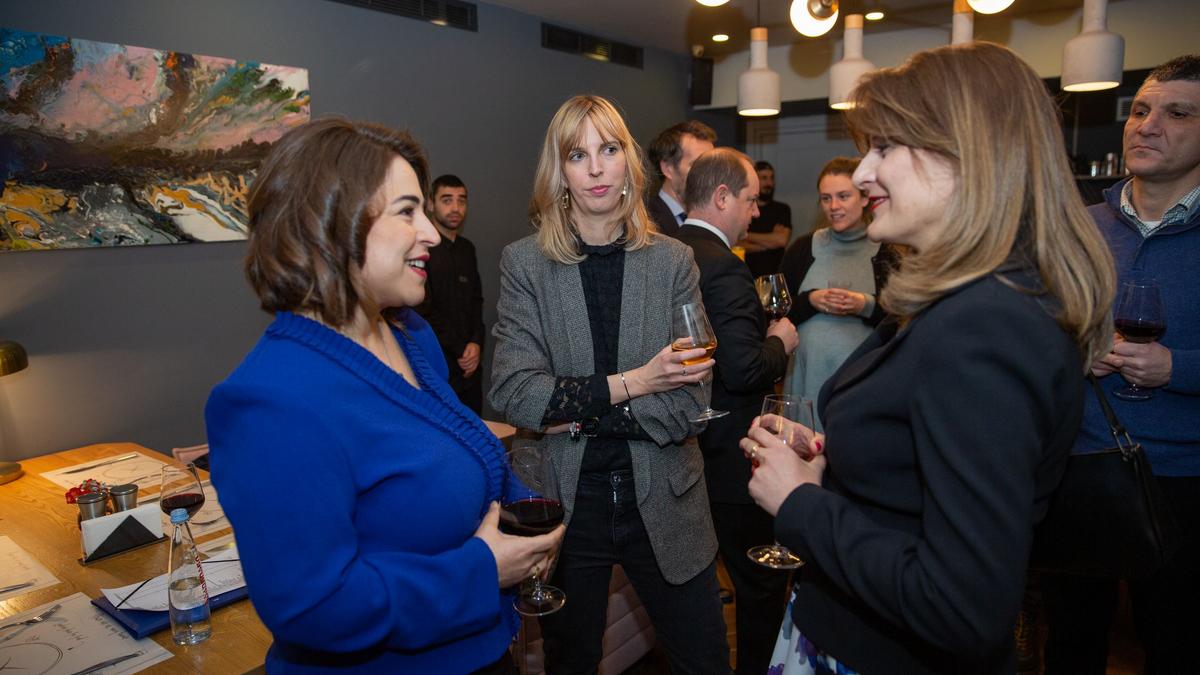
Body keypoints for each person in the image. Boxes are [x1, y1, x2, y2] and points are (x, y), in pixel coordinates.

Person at [738, 42, 1116, 674]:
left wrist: (801, 502)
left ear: (966, 156)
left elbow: (964, 606)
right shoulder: (964, 300)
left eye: (885, 147)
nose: (863, 175)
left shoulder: (986, 325)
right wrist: (836, 455)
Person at [204, 118, 563, 673]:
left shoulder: (410, 335)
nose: (431, 232)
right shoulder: (269, 400)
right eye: (407, 211)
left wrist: (527, 523)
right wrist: (482, 571)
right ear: (331, 224)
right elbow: (313, 608)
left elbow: (468, 450)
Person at [490, 95, 731, 674]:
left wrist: (574, 412)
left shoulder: (673, 262)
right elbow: (516, 393)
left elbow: (691, 404)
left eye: (609, 149)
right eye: (578, 155)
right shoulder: (525, 264)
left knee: (705, 661)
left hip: (668, 497)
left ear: (630, 162)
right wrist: (640, 381)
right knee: (570, 662)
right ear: (559, 171)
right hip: (568, 503)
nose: (596, 168)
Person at [1041, 54, 1200, 675]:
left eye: (1177, 113)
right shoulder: (1080, 229)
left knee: (1176, 644)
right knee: (1069, 643)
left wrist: (1177, 368)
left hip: (1184, 480)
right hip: (1079, 465)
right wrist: (1075, 349)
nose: (1148, 125)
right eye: (1140, 110)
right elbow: (1037, 331)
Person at [675, 148, 799, 675]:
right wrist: (780, 342)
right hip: (728, 455)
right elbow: (744, 370)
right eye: (751, 199)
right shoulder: (723, 265)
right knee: (760, 585)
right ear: (723, 197)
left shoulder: (665, 251)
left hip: (679, 450)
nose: (756, 211)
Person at [779, 157, 897, 431]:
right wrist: (810, 300)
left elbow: (904, 318)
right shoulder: (803, 248)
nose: (834, 206)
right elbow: (776, 310)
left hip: (862, 382)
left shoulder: (888, 250)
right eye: (826, 198)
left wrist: (865, 305)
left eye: (843, 196)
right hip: (806, 378)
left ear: (865, 198)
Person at [416, 174, 485, 413]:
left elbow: (477, 301)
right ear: (430, 204)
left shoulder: (467, 249)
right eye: (447, 200)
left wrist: (476, 343)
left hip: (471, 368)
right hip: (437, 363)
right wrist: (460, 350)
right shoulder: (421, 249)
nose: (455, 208)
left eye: (461, 200)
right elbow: (424, 309)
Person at [645, 120, 717, 237]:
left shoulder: (714, 218)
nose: (710, 174)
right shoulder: (646, 223)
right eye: (698, 165)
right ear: (668, 169)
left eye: (713, 165)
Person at [737, 160, 793, 277]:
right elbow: (736, 243)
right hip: (748, 276)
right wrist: (770, 242)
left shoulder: (782, 209)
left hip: (776, 276)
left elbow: (781, 240)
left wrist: (746, 235)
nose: (769, 183)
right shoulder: (744, 209)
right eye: (764, 178)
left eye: (771, 178)